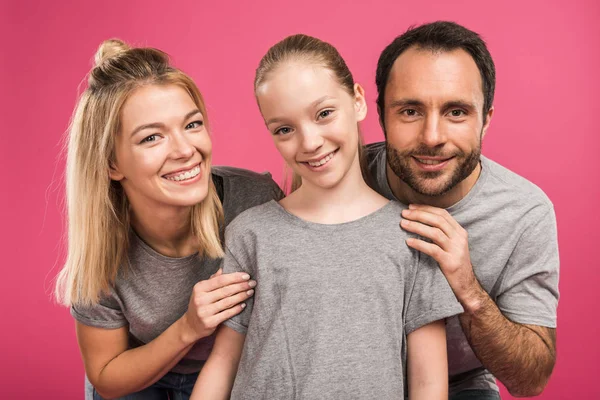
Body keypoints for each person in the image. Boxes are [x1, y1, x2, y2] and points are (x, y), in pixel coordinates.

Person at [190, 34, 463, 400]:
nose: (310, 142)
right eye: (285, 129)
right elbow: (223, 364)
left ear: (358, 101)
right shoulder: (250, 233)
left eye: (323, 114)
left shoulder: (413, 236)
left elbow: (429, 385)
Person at [54, 39, 283, 400]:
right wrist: (188, 327)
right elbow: (107, 376)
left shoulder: (255, 201)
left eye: (192, 125)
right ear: (112, 163)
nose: (185, 150)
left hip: (232, 373)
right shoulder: (101, 249)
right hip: (138, 376)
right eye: (152, 137)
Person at [366, 21, 559, 399]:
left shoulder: (524, 212)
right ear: (381, 115)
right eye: (409, 111)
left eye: (456, 112)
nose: (432, 137)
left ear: (486, 119)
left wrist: (468, 288)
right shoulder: (342, 177)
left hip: (461, 384)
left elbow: (531, 379)